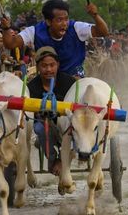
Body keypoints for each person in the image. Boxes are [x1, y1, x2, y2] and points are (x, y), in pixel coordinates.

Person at [1, 0, 109, 77]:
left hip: (75, 78)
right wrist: (6, 28)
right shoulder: (35, 31)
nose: (64, 24)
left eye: (66, 19)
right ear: (48, 21)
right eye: (59, 20)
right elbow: (11, 44)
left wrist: (95, 15)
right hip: (47, 79)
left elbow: (103, 32)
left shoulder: (76, 28)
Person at [27, 46, 76, 176]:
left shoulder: (69, 82)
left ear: (57, 65)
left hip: (66, 124)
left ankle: (62, 159)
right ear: (37, 67)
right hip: (44, 124)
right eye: (44, 66)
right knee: (38, 128)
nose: (48, 69)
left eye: (52, 65)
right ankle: (52, 158)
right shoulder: (31, 87)